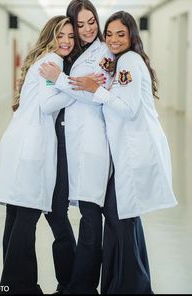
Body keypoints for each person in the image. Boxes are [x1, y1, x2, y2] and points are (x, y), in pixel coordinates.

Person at [69, 11, 178, 294]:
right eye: (110, 34)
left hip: (134, 153)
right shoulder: (120, 61)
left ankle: (131, 286)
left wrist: (97, 90)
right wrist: (98, 83)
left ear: (131, 35)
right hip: (126, 153)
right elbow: (112, 85)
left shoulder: (129, 61)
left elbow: (129, 110)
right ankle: (126, 284)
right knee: (123, 219)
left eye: (121, 34)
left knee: (121, 219)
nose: (114, 39)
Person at [0, 15, 77, 294]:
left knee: (16, 216)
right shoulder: (52, 62)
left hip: (19, 142)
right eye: (60, 35)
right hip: (32, 145)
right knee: (26, 216)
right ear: (50, 37)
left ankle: (11, 286)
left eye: (71, 36)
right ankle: (20, 287)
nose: (66, 41)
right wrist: (77, 87)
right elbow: (47, 104)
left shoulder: (43, 59)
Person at [39, 0, 112, 293]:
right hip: (65, 142)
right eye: (79, 24)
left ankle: (82, 287)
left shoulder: (105, 53)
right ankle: (67, 279)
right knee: (56, 210)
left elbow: (95, 93)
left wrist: (60, 80)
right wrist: (71, 82)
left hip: (90, 142)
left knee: (90, 214)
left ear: (98, 18)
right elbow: (78, 89)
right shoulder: (71, 54)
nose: (86, 29)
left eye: (91, 21)